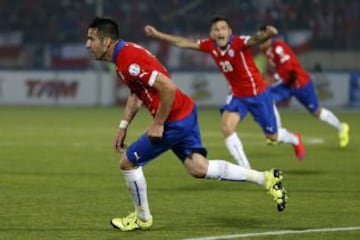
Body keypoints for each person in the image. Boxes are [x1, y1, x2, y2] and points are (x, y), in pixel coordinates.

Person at [85, 17, 287, 232]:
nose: (88, 45)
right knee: (199, 168)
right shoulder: (123, 57)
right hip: (185, 111)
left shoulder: (129, 59)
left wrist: (158, 123)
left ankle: (142, 218)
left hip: (174, 120)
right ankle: (265, 178)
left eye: (91, 39)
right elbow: (137, 93)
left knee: (127, 163)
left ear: (106, 41)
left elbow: (168, 88)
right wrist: (123, 125)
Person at [144, 15, 305, 169]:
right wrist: (158, 34)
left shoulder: (239, 43)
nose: (220, 32)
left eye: (223, 28)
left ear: (229, 31)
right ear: (211, 34)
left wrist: (268, 34)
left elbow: (256, 39)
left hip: (258, 94)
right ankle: (246, 168)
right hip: (238, 96)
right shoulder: (211, 46)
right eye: (216, 29)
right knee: (227, 128)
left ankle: (294, 139)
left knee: (273, 136)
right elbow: (183, 42)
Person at [257, 26, 350, 148]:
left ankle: (342, 127)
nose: (259, 41)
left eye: (262, 38)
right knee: (268, 98)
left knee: (316, 112)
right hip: (287, 84)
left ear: (269, 38)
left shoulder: (278, 48)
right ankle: (277, 133)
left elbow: (288, 68)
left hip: (301, 83)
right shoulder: (265, 50)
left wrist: (273, 78)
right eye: (258, 39)